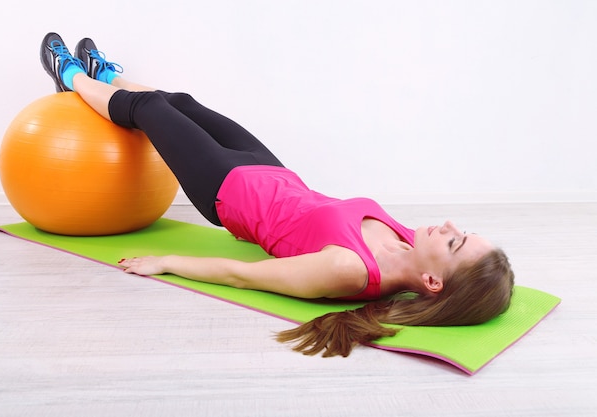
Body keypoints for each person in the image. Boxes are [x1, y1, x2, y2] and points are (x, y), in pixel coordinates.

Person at [40, 32, 515, 357]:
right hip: (270, 172)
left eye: (454, 243)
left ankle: (71, 77)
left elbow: (247, 275)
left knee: (148, 108)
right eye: (463, 231)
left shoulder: (349, 271)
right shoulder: (408, 241)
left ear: (432, 282)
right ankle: (105, 76)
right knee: (182, 103)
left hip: (224, 189)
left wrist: (168, 263)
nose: (450, 227)